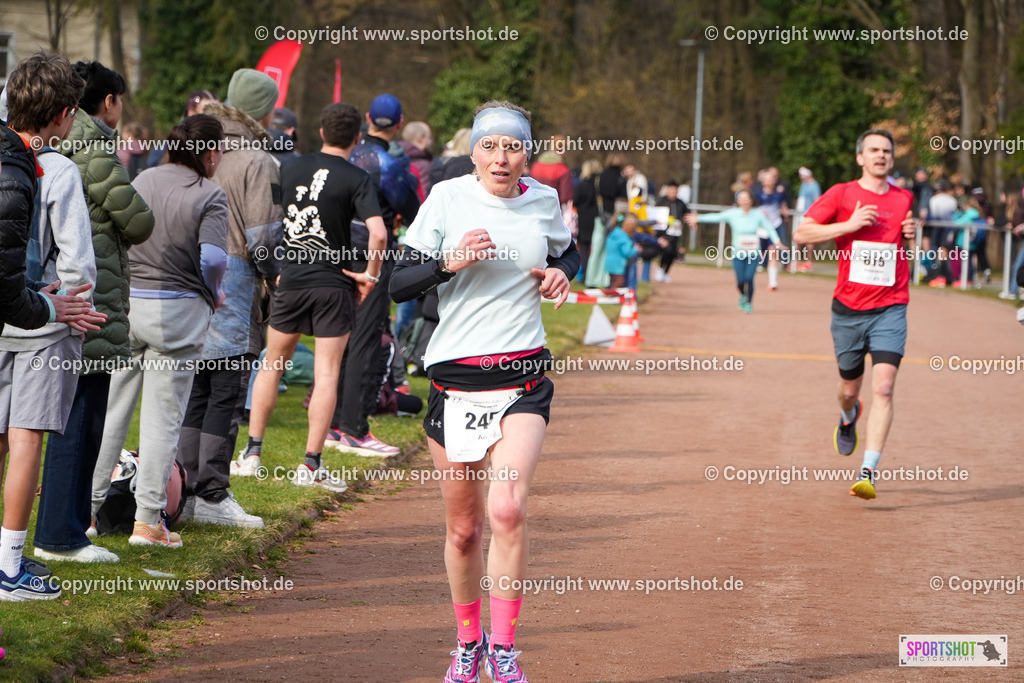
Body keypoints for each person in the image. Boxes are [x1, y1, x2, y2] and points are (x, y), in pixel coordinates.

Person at [390, 98, 577, 683]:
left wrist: (562, 270)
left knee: (507, 509)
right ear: (473, 152)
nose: (502, 157)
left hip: (522, 377)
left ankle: (504, 648)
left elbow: (568, 248)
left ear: (529, 152)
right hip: (455, 382)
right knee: (464, 528)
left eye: (513, 145)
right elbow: (398, 282)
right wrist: (449, 263)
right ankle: (467, 643)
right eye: (490, 146)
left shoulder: (544, 202)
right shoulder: (447, 198)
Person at [92, 114, 229, 548]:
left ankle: (88, 512)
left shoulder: (145, 177)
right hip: (179, 313)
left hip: (129, 307)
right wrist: (215, 293)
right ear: (209, 153)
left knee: (112, 413)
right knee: (162, 421)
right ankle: (148, 521)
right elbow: (212, 259)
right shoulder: (210, 194)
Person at [0, 53, 108, 598]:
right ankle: (11, 567)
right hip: (45, 321)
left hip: (0, 316)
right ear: (65, 115)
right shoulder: (58, 169)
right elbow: (77, 262)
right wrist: (78, 310)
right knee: (27, 441)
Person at [238, 102, 386, 491]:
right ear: (357, 138)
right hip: (334, 284)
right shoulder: (358, 175)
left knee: (273, 363)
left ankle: (253, 453)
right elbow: (380, 233)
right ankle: (311, 464)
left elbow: (267, 220)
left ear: (320, 131)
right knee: (326, 373)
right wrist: (370, 275)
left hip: (292, 279)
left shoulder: (290, 166)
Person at [179, 68, 283, 528]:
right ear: (265, 110)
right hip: (235, 282)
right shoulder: (260, 159)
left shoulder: (198, 144)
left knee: (192, 390)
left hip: (185, 278)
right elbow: (264, 238)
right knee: (224, 391)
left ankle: (182, 487)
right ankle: (213, 494)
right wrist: (275, 278)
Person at [60, 59, 155, 540]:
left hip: (63, 292)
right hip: (90, 295)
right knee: (83, 418)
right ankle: (69, 529)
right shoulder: (94, 147)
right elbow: (138, 221)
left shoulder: (58, 138)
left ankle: (69, 525)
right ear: (109, 102)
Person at [793, 128, 915, 500]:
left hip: (891, 305)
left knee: (885, 387)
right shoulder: (842, 193)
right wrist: (849, 225)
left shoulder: (904, 197)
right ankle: (849, 417)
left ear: (892, 159)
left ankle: (868, 471)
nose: (881, 155)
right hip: (848, 308)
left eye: (887, 150)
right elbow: (802, 234)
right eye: (873, 150)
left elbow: (904, 252)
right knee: (850, 389)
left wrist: (912, 236)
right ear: (860, 157)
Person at [324, 93, 419, 457]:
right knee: (365, 339)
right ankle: (354, 428)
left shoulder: (347, 154)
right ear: (397, 125)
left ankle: (333, 423)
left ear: (367, 118)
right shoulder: (391, 164)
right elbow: (413, 212)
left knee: (339, 339)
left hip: (335, 251)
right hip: (372, 256)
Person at [685, 189, 781, 312]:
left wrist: (777, 241)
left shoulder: (758, 214)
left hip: (753, 253)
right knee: (740, 280)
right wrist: (699, 218)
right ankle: (742, 294)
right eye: (741, 198)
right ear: (738, 201)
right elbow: (716, 217)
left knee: (749, 278)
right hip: (738, 253)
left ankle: (748, 303)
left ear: (751, 200)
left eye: (746, 198)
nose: (744, 201)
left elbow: (769, 228)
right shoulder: (733, 214)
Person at [752, 166, 790, 290]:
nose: (770, 181)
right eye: (767, 179)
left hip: (774, 226)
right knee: (757, 253)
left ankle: (773, 282)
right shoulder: (757, 194)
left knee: (773, 252)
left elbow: (783, 204)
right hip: (761, 228)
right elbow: (750, 208)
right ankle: (748, 277)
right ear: (763, 181)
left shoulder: (779, 194)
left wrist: (785, 211)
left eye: (771, 179)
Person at [655, 179, 689, 283]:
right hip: (664, 232)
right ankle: (660, 268)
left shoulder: (680, 203)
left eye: (675, 191)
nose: (674, 193)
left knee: (673, 253)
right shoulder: (661, 201)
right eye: (672, 191)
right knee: (667, 250)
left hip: (676, 232)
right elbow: (655, 214)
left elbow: (686, 213)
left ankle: (665, 273)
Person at [573, 159, 601, 280]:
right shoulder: (599, 185)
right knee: (596, 248)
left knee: (584, 247)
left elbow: (575, 201)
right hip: (597, 218)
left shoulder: (582, 185)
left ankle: (584, 275)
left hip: (583, 218)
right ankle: (595, 275)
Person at [794, 167, 821, 272]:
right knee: (798, 238)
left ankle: (809, 261)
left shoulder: (814, 185)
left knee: (810, 239)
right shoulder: (804, 185)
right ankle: (797, 261)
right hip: (800, 214)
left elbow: (816, 200)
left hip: (809, 215)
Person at [605, 213, 639, 289]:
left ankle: (611, 295)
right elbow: (627, 252)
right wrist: (635, 250)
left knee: (613, 281)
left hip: (608, 262)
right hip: (618, 264)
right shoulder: (625, 238)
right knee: (619, 282)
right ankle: (611, 297)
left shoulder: (613, 233)